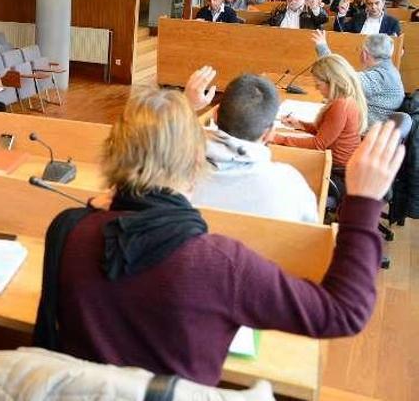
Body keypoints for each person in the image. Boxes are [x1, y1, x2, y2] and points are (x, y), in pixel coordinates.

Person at [34, 84, 403, 386]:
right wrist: (364, 202)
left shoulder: (67, 228)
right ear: (198, 162)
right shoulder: (220, 263)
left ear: (112, 154)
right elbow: (343, 313)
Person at [184, 67, 318, 223]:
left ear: (215, 114)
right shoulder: (291, 184)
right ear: (269, 133)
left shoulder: (173, 168)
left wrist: (186, 104)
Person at [273, 54, 367, 168]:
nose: (317, 88)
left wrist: (278, 138)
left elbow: (318, 144)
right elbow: (327, 132)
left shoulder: (341, 106)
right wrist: (300, 124)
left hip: (336, 170)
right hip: (340, 164)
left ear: (332, 82)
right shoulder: (346, 99)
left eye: (318, 84)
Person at [313, 30, 403, 126]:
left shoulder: (380, 77)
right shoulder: (391, 71)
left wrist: (322, 48)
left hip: (367, 130)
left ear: (364, 54)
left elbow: (342, 77)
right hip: (377, 128)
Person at [333, 0, 402, 36]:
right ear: (366, 4)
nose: (373, 7)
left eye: (377, 3)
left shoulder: (392, 22)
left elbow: (397, 45)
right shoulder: (358, 17)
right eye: (370, 4)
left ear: (383, 3)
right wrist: (342, 14)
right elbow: (339, 32)